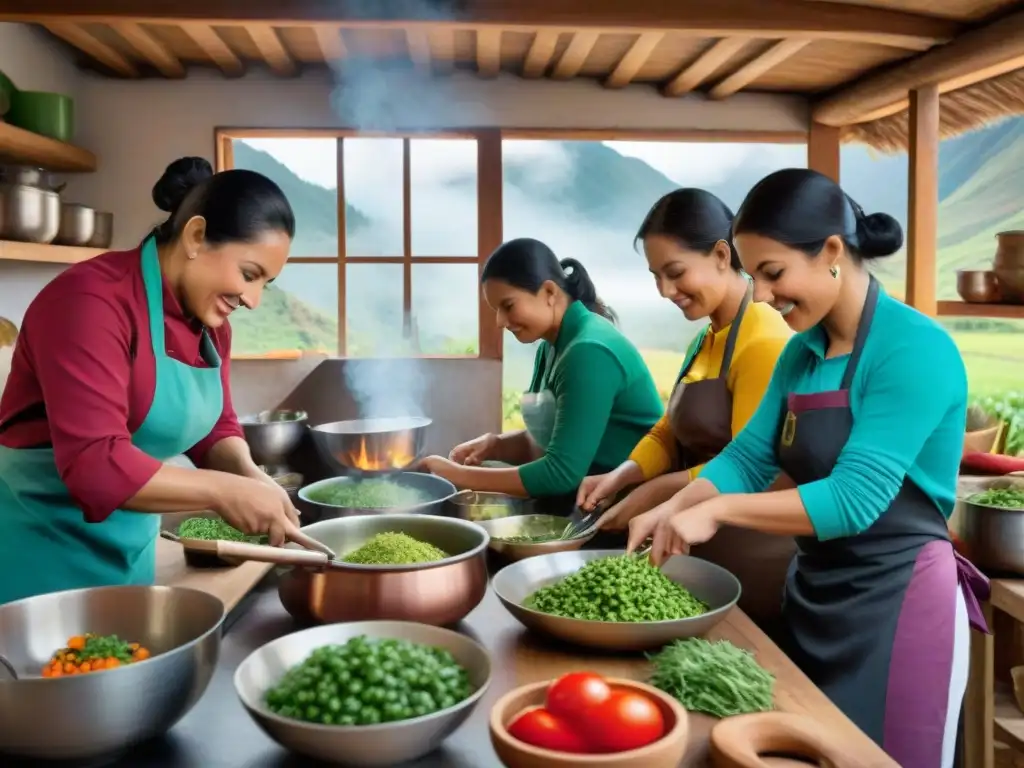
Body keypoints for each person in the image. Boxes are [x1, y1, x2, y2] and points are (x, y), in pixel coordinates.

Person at [626, 168, 989, 768]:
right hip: (816, 597)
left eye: (773, 273)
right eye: (755, 276)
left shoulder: (914, 350)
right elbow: (747, 457)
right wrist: (672, 507)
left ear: (832, 253)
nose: (763, 295)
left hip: (899, 611)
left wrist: (714, 510)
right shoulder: (802, 352)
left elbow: (853, 500)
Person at [0, 157, 306, 605]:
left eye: (267, 284)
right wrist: (225, 492)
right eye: (248, 274)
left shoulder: (211, 324)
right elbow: (95, 466)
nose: (254, 300)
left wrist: (251, 476)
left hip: (129, 555)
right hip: (39, 561)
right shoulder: (88, 303)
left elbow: (216, 425)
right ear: (196, 236)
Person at [576, 188, 795, 630]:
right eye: (656, 276)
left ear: (720, 254)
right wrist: (622, 475)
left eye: (675, 273)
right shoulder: (708, 336)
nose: (664, 291)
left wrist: (650, 495)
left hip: (751, 557)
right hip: (698, 541)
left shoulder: (764, 337)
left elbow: (748, 465)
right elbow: (668, 431)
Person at [419, 237, 663, 498]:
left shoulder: (588, 351)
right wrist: (495, 446)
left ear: (549, 292)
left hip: (626, 505)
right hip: (587, 499)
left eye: (508, 306)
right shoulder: (551, 345)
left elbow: (560, 474)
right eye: (496, 310)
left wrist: (455, 474)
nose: (500, 321)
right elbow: (550, 438)